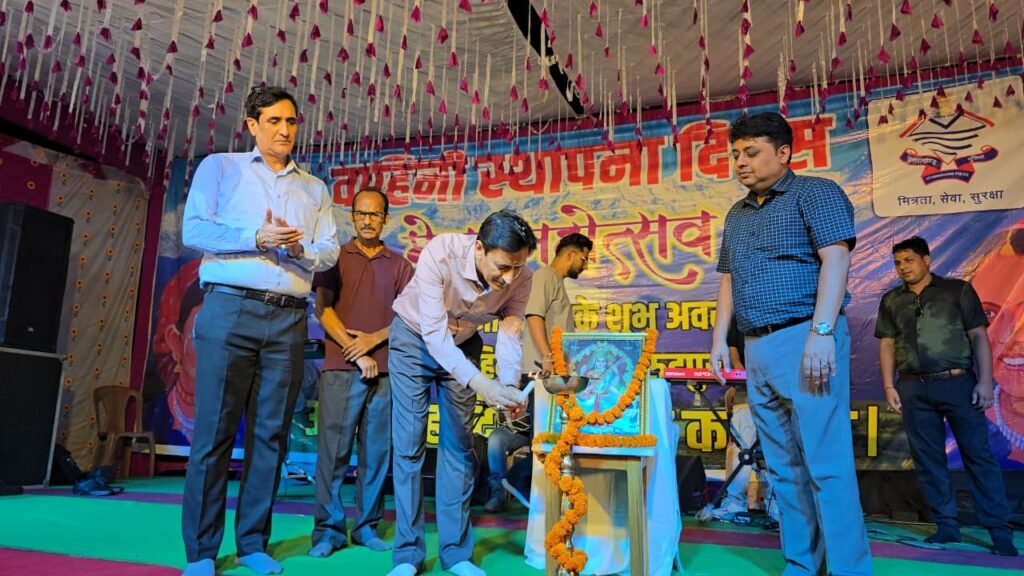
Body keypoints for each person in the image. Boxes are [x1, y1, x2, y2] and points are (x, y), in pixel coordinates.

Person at [180, 85, 339, 576]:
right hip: (229, 308)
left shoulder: (315, 188)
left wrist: (298, 250)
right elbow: (194, 230)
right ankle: (202, 553)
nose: (284, 130)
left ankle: (252, 543)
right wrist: (256, 236)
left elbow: (329, 252)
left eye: (291, 122)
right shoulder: (220, 168)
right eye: (274, 121)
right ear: (252, 125)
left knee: (271, 435)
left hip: (288, 317)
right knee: (214, 433)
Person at [708, 111, 873, 575]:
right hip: (756, 347)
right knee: (782, 467)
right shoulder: (737, 214)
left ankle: (849, 569)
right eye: (735, 154)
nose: (740, 162)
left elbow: (836, 259)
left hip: (805, 337)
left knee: (826, 462)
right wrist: (719, 338)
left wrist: (822, 332)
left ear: (783, 153)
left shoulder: (815, 193)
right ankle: (801, 564)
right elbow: (728, 280)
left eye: (751, 152)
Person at [387, 209, 535, 576]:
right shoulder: (440, 253)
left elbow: (510, 335)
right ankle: (407, 555)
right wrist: (481, 383)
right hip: (414, 340)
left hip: (465, 343)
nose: (509, 277)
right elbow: (434, 336)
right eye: (503, 267)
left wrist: (507, 388)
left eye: (517, 268)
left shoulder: (523, 279)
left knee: (459, 446)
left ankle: (455, 553)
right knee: (409, 444)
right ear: (480, 248)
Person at [875, 236, 1018, 556]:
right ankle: (947, 526)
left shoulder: (957, 291)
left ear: (927, 260)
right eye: (897, 263)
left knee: (978, 455)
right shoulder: (892, 300)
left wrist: (984, 382)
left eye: (909, 260)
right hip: (913, 387)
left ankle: (999, 531)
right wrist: (889, 386)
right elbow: (886, 344)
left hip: (958, 384)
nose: (903, 267)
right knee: (928, 459)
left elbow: (978, 336)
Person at [308, 187, 414, 557]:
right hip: (341, 368)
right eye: (361, 214)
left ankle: (367, 526)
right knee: (333, 453)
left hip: (386, 372)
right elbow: (323, 310)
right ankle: (328, 531)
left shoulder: (400, 265)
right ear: (352, 217)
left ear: (386, 218)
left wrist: (373, 340)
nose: (367, 221)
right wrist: (355, 351)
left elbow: (409, 317)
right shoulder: (333, 257)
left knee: (376, 454)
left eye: (375, 214)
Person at [483, 232, 592, 513]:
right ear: (570, 254)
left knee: (548, 438)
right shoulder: (545, 276)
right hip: (544, 377)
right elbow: (534, 316)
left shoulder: (556, 283)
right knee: (545, 439)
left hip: (554, 377)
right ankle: (514, 482)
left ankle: (521, 485)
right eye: (584, 258)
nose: (585, 264)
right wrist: (547, 356)